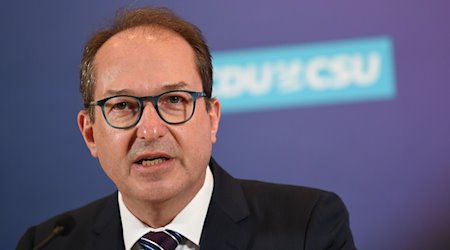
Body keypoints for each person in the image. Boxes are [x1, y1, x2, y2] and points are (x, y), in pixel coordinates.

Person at [17, 7, 356, 250]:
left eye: (174, 100)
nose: (150, 130)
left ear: (212, 118)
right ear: (90, 133)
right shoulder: (48, 243)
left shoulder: (306, 228)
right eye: (122, 105)